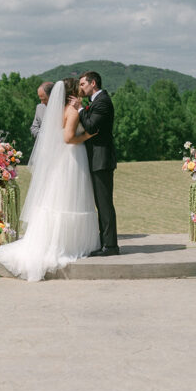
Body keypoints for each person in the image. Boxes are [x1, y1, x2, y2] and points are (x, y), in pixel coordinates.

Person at [0, 79, 98, 281]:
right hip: (72, 157)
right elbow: (68, 138)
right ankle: (68, 243)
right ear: (72, 93)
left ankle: (53, 239)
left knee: (56, 197)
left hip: (61, 159)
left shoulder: (55, 112)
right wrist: (87, 136)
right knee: (70, 198)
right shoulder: (72, 111)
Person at [78, 71, 119, 256]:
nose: (81, 88)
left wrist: (80, 110)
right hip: (96, 159)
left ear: (93, 83)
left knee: (104, 204)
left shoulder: (102, 101)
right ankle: (104, 243)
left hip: (101, 159)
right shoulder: (96, 101)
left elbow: (92, 126)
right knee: (100, 203)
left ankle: (110, 246)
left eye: (82, 84)